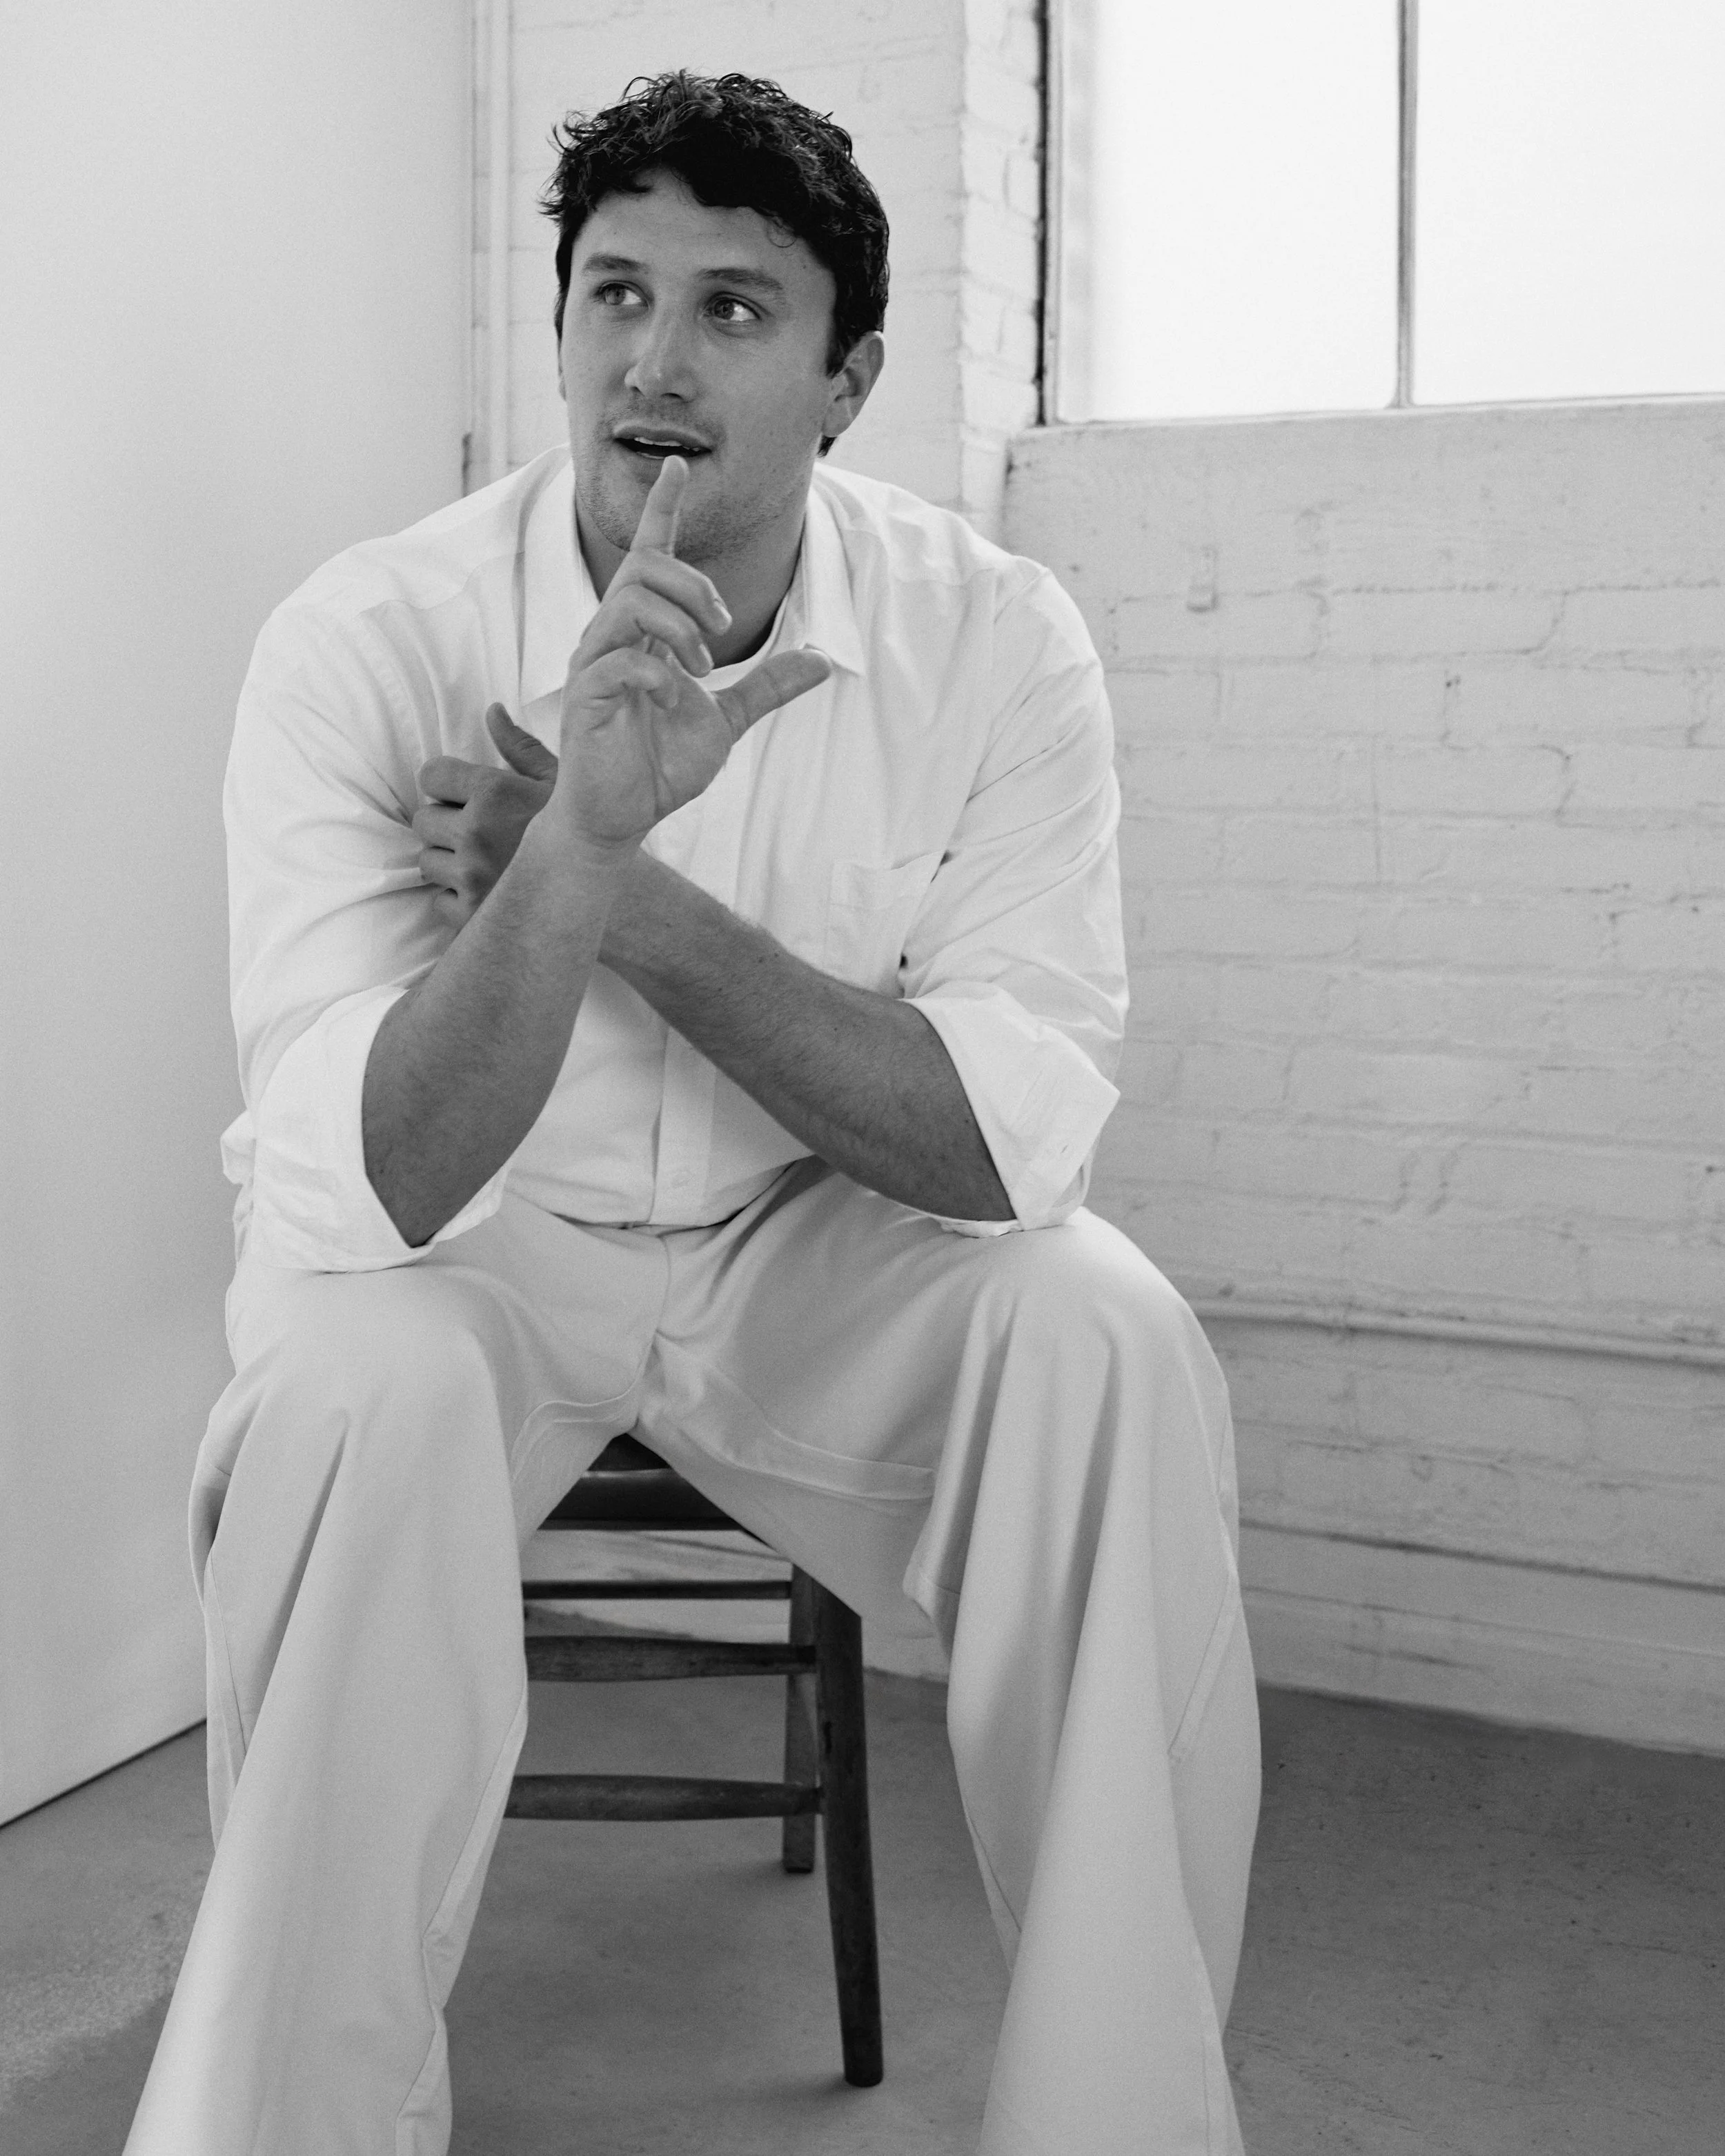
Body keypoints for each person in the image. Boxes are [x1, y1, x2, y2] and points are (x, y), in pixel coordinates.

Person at [124, 69, 1260, 2156]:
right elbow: (364, 1182)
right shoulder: (364, 643)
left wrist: (626, 898)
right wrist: (563, 865)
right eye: (612, 293)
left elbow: (1002, 1146)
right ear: (557, 327)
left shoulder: (995, 642)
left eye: (735, 309)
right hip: (468, 1260)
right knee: (346, 1389)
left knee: (1100, 1329)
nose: (653, 360)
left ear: (848, 382)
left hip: (803, 1246)